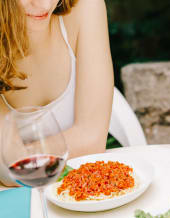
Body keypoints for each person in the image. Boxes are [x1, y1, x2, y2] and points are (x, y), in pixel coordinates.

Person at [0, 0, 113, 186]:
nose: (44, 5)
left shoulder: (85, 6)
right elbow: (6, 166)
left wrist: (24, 156)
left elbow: (92, 140)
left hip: (85, 178)